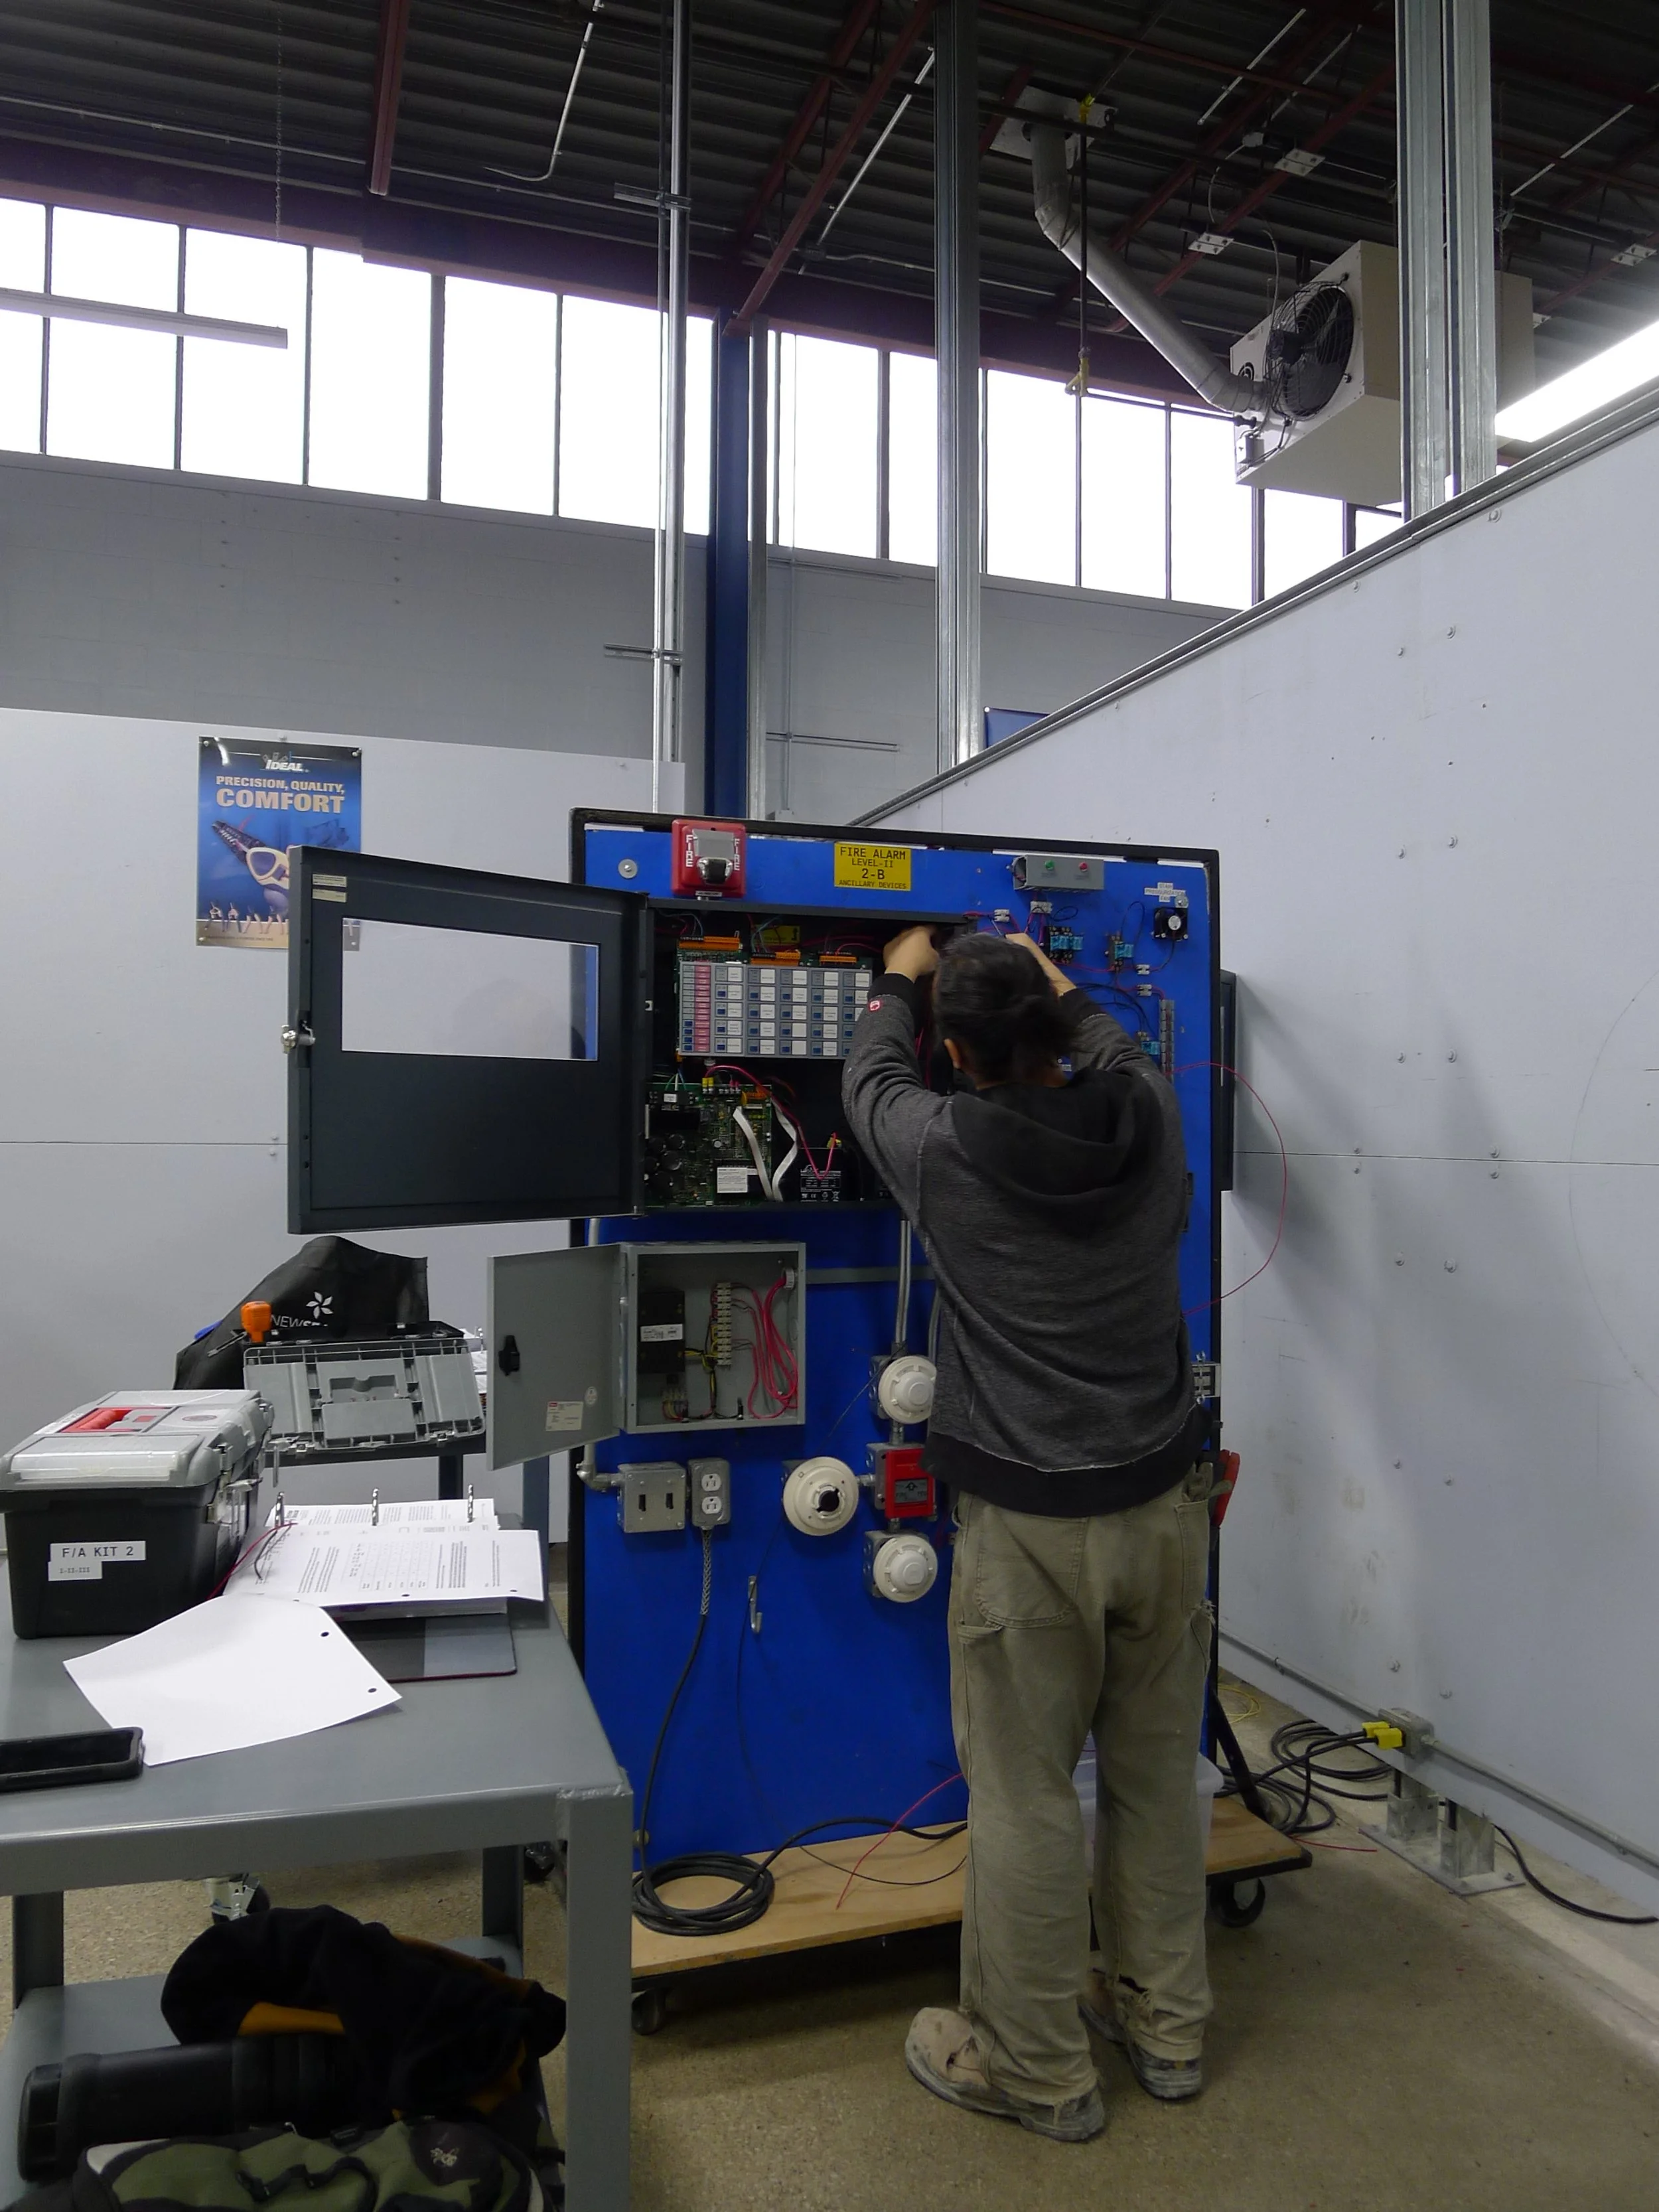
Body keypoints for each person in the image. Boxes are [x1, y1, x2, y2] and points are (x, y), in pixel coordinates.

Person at [841, 924, 1212, 2144]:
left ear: (959, 1052)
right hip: (1166, 1513)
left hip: (1032, 1533)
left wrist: (900, 976)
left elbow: (870, 1083)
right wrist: (1057, 980)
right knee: (1157, 1781)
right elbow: (1115, 1043)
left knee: (1026, 1800)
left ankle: (1039, 2069)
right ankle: (1167, 2031)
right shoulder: (1151, 1112)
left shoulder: (944, 1149)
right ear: (1056, 1034)